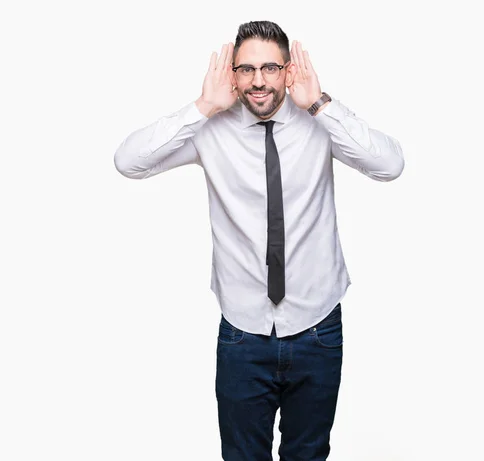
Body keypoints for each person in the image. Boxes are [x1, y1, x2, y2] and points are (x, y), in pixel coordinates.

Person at [114, 19, 404, 461]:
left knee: (308, 455)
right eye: (246, 69)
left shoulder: (318, 125)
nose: (258, 81)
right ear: (232, 74)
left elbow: (390, 165)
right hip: (243, 333)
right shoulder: (211, 130)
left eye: (270, 68)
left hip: (318, 327)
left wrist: (322, 105)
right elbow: (128, 162)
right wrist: (201, 107)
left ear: (288, 71)